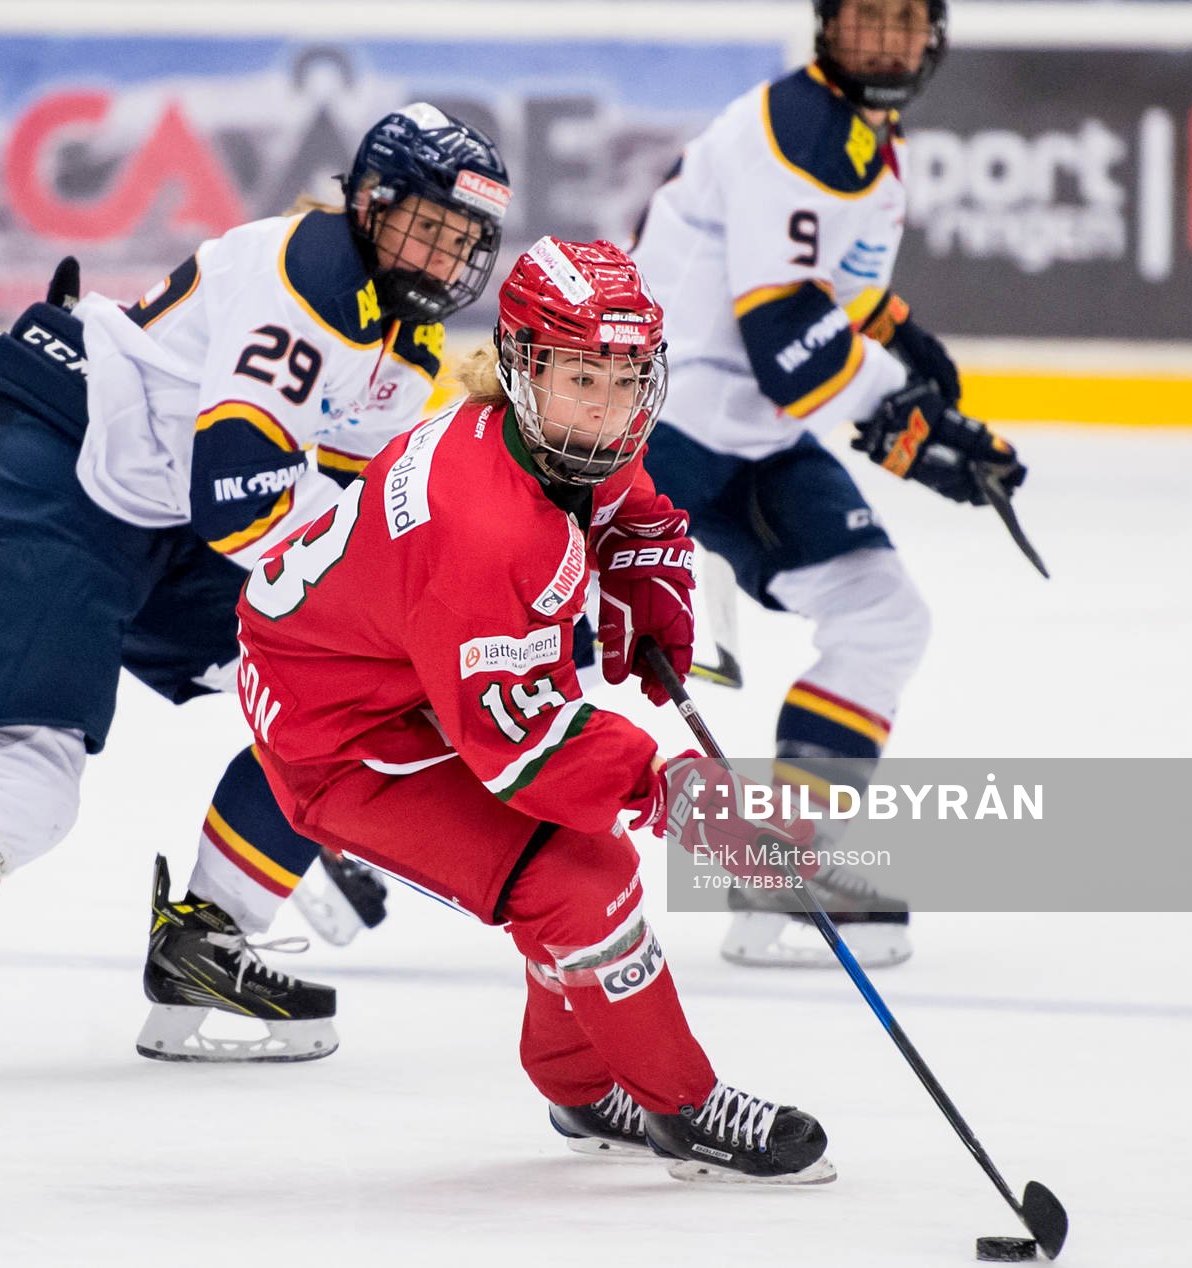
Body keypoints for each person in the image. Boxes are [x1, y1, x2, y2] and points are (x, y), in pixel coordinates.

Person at [0, 104, 510, 1089]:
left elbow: (342, 530)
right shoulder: (308, 276)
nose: (441, 256)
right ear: (371, 203)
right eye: (426, 226)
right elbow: (241, 498)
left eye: (461, 239)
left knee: (351, 696)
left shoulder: (406, 343)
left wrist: (388, 680)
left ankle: (205, 946)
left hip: (152, 516)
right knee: (27, 781)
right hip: (48, 480)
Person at [231, 236, 835, 1183]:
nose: (607, 406)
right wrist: (675, 791)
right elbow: (524, 748)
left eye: (627, 379)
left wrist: (644, 573)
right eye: (583, 378)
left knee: (578, 861)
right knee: (580, 878)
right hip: (344, 739)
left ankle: (580, 1084)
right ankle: (683, 1110)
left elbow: (624, 504)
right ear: (522, 366)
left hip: (395, 674)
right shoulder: (482, 529)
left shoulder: (543, 438)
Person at [629, 0, 1027, 969]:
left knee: (882, 614)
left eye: (903, 20)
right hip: (654, 434)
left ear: (933, 35)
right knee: (535, 650)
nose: (884, 40)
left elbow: (827, 283)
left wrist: (896, 333)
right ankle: (338, 819)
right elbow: (786, 344)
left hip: (752, 439)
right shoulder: (796, 131)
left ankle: (784, 862)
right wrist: (915, 426)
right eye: (865, 18)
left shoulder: (861, 135)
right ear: (824, 27)